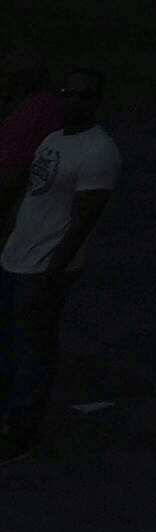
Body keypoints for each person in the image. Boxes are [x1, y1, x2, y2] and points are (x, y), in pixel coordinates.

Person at [0, 71, 111, 454]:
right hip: (17, 257)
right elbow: (34, 195)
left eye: (79, 95)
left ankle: (21, 431)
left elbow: (84, 221)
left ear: (94, 100)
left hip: (45, 267)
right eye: (64, 93)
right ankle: (10, 415)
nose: (69, 101)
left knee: (33, 347)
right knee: (10, 343)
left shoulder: (99, 151)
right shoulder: (52, 140)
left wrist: (54, 270)